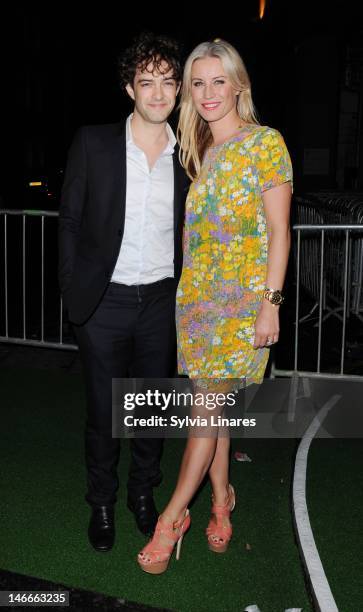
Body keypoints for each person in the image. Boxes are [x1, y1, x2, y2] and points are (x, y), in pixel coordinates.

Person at [137, 39, 292, 574]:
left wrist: (270, 304)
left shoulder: (266, 143)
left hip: (244, 303)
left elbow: (279, 231)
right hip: (197, 302)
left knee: (205, 411)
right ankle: (222, 506)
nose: (207, 93)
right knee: (215, 410)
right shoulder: (195, 151)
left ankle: (173, 517)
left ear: (238, 85)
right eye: (197, 82)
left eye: (217, 81)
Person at [58, 32, 188, 551]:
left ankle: (142, 496)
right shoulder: (93, 142)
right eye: (147, 82)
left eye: (167, 83)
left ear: (178, 91)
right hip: (103, 303)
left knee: (152, 412)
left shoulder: (190, 155)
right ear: (129, 88)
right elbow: (69, 220)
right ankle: (103, 504)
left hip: (161, 301)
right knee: (103, 414)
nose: (158, 93)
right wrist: (73, 291)